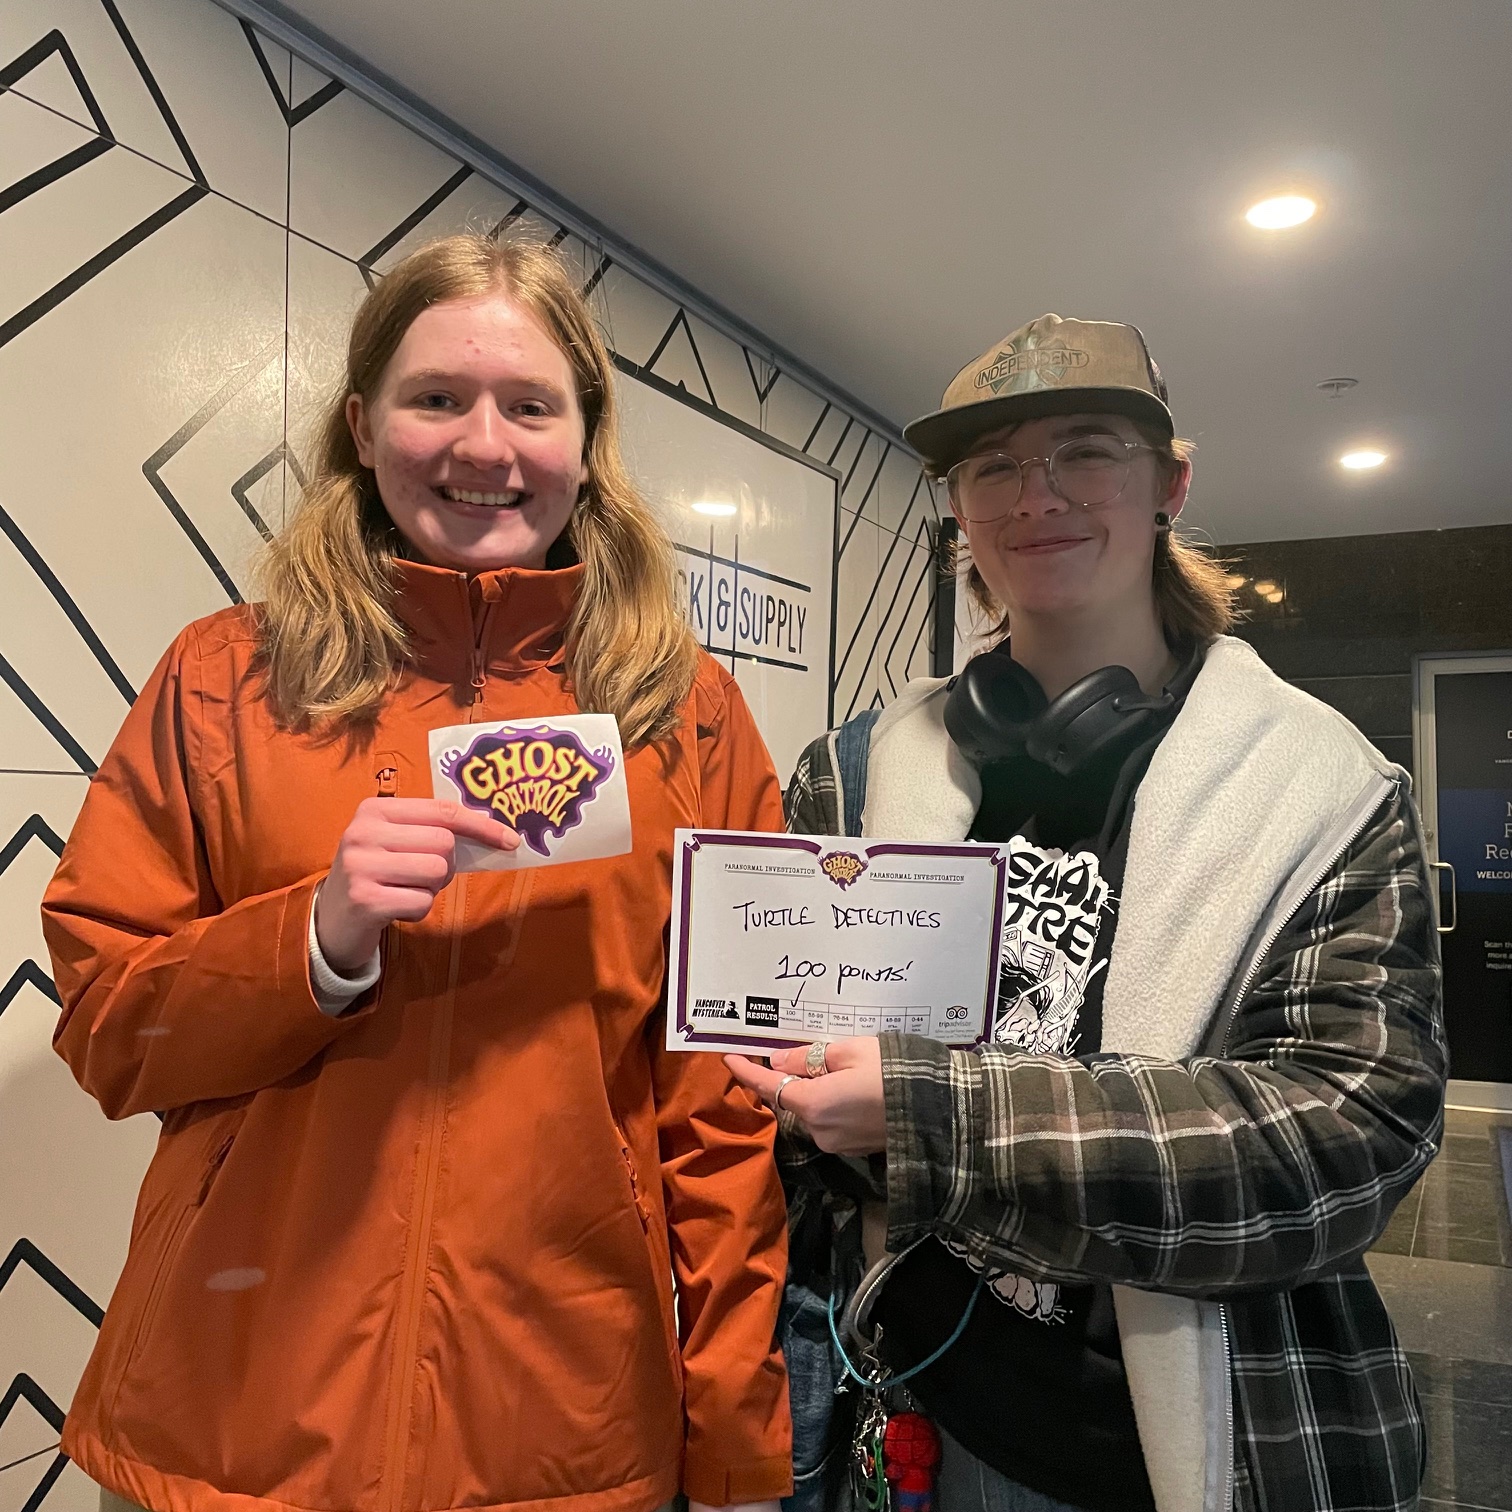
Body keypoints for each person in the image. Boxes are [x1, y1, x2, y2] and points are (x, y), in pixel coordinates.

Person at [43, 235, 792, 1512]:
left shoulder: (687, 715)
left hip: (558, 1441)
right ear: (362, 425)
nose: (484, 445)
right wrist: (314, 942)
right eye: (437, 397)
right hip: (231, 1435)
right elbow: (110, 1032)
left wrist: (733, 1440)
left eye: (531, 406)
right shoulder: (225, 678)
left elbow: (721, 1107)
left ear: (586, 439)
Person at [728, 315, 1445, 1512]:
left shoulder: (1325, 792)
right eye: (994, 465)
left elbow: (1345, 1141)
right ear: (958, 508)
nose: (1036, 495)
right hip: (905, 1416)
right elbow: (775, 1082)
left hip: (1204, 1445)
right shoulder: (848, 775)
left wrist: (935, 1114)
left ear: (1170, 484)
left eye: (1085, 451)